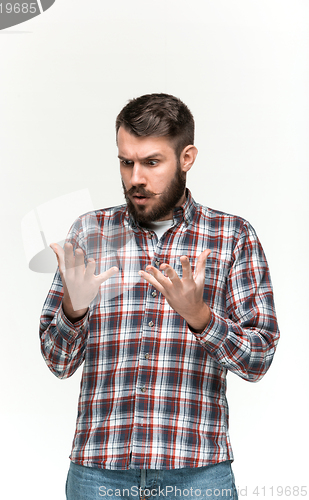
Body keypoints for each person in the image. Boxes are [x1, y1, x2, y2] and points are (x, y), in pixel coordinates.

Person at [39, 93, 280, 500]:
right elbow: (58, 362)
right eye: (125, 161)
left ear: (186, 158)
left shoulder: (232, 237)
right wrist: (74, 310)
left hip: (198, 473)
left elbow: (259, 360)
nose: (135, 177)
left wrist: (201, 317)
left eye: (151, 162)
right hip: (99, 473)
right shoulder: (90, 233)